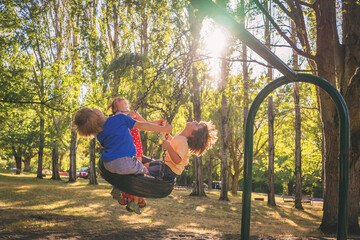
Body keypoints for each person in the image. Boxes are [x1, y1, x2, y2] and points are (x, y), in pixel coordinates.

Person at [73, 107, 171, 214]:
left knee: (123, 172)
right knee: (145, 173)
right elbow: (142, 125)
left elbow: (117, 124)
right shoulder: (119, 118)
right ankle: (134, 202)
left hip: (108, 165)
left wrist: (129, 117)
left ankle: (118, 187)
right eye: (92, 110)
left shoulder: (99, 133)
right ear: (97, 114)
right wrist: (164, 129)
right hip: (126, 162)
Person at [107, 97, 159, 210]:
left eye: (124, 103)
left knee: (136, 172)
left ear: (127, 104)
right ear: (115, 109)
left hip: (136, 146)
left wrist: (158, 124)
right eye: (119, 104)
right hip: (126, 146)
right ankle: (124, 194)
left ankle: (134, 199)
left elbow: (145, 124)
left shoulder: (134, 113)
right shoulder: (118, 117)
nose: (122, 103)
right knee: (127, 169)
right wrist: (127, 115)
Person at [147, 120, 218, 181]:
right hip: (166, 163)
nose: (195, 121)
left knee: (145, 171)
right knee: (146, 165)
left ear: (192, 134)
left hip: (170, 170)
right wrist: (165, 132)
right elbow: (174, 141)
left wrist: (169, 147)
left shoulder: (184, 142)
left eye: (197, 125)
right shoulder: (181, 136)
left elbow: (177, 160)